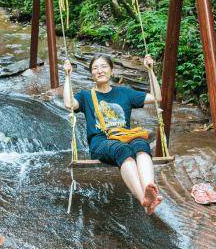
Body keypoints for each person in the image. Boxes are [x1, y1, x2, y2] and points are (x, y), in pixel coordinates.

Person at [62, 53, 164, 215]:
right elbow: (69, 103)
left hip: (125, 137)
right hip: (101, 142)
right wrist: (67, 76)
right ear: (91, 74)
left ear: (112, 71)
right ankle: (143, 200)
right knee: (123, 151)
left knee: (141, 145)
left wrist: (150, 71)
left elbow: (156, 97)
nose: (100, 71)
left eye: (104, 67)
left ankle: (149, 188)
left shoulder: (124, 93)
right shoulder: (86, 95)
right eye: (95, 68)